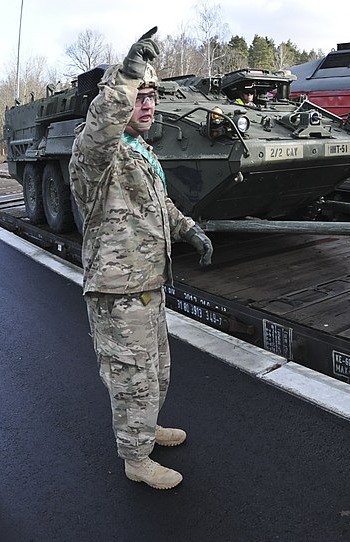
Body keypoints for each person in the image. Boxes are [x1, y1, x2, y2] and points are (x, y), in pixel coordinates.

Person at [69, 27, 214, 490]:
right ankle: (135, 457)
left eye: (151, 95)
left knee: (156, 369)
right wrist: (127, 77)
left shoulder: (139, 152)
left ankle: (147, 429)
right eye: (138, 96)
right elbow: (101, 129)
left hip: (148, 282)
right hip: (118, 289)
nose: (147, 104)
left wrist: (187, 228)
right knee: (132, 377)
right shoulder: (96, 156)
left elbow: (156, 206)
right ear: (119, 102)